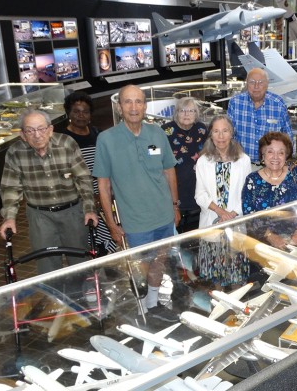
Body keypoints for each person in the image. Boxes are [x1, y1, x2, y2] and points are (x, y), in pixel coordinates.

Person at [93, 84, 180, 322]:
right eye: (128, 102)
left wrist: (174, 206)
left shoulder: (157, 134)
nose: (134, 107)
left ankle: (153, 304)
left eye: (138, 102)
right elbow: (103, 185)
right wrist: (110, 223)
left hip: (163, 215)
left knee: (159, 261)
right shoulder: (107, 139)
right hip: (135, 221)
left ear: (145, 105)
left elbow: (169, 171)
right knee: (140, 267)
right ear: (120, 107)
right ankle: (142, 307)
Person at [0, 109, 98, 274]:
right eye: (30, 130)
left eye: (41, 129)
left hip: (72, 211)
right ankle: (53, 298)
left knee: (80, 259)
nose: (37, 135)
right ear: (23, 134)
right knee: (47, 265)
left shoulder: (67, 143)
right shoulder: (15, 152)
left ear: (50, 129)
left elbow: (84, 179)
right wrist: (9, 217)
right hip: (39, 216)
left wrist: (89, 209)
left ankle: (86, 295)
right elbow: (10, 187)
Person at [195, 115, 251, 286]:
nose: (221, 136)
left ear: (232, 133)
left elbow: (246, 193)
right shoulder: (203, 161)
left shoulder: (243, 160)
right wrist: (220, 213)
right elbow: (200, 194)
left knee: (236, 276)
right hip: (211, 223)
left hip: (236, 223)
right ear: (211, 134)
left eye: (225, 131)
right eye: (216, 131)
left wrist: (231, 214)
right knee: (215, 277)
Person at [60, 91, 116, 255]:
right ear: (68, 113)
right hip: (79, 199)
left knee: (107, 239)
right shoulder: (63, 140)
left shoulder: (98, 135)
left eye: (85, 111)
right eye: (76, 111)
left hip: (103, 194)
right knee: (86, 241)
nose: (81, 115)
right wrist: (88, 197)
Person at [242, 132, 297, 250]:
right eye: (270, 152)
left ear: (286, 156)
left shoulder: (296, 174)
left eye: (281, 153)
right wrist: (270, 236)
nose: (275, 157)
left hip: (296, 242)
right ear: (262, 156)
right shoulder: (252, 180)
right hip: (263, 244)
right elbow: (249, 215)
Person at [227, 68, 293, 166]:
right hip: (242, 165)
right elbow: (228, 135)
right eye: (252, 82)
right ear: (246, 84)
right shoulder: (235, 103)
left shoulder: (278, 104)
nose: (256, 86)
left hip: (270, 166)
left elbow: (288, 139)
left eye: (261, 82)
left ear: (267, 85)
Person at [161, 97, 208, 232]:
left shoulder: (201, 129)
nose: (187, 114)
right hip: (175, 189)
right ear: (176, 113)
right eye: (182, 110)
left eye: (191, 111)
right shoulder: (165, 131)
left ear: (196, 114)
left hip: (198, 189)